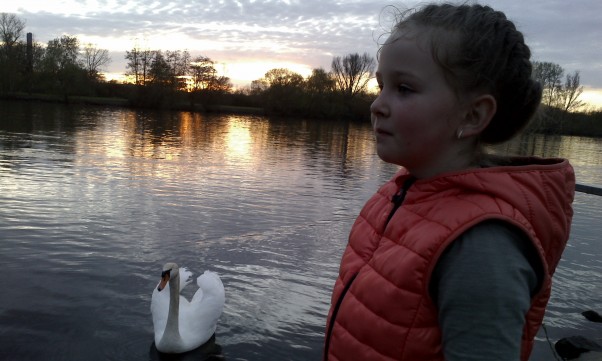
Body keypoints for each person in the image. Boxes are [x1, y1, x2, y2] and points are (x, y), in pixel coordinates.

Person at [323, 3, 575, 361]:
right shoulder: (399, 194)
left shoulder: (481, 246)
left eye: (404, 88)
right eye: (381, 86)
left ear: (472, 116)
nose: (377, 105)